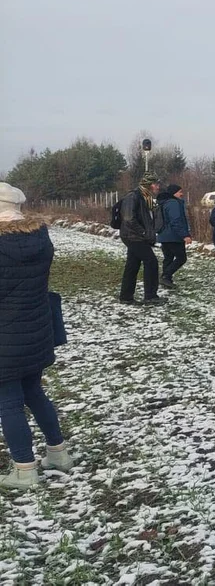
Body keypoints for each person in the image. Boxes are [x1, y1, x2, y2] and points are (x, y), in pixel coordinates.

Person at [0, 183, 75, 490]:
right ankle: (58, 453)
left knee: (8, 402)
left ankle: (25, 469)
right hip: (36, 330)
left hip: (5, 337)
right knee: (34, 391)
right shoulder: (40, 238)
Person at [119, 171, 166, 305]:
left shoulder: (146, 198)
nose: (158, 187)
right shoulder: (133, 196)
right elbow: (128, 219)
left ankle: (126, 297)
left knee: (132, 265)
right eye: (156, 184)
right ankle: (150, 296)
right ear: (150, 185)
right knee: (151, 262)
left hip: (136, 236)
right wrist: (144, 233)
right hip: (133, 236)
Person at [155, 184, 191, 289]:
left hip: (164, 235)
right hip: (173, 236)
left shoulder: (163, 203)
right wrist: (184, 235)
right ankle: (166, 276)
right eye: (180, 192)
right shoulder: (173, 203)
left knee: (168, 258)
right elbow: (176, 221)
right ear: (174, 193)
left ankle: (167, 280)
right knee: (181, 258)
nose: (182, 194)